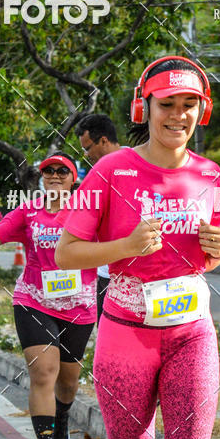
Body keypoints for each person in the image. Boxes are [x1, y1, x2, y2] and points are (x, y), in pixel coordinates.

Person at [56, 57, 220, 439]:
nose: (177, 116)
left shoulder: (211, 174)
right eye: (165, 105)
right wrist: (123, 244)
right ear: (144, 109)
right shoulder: (110, 171)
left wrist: (215, 250)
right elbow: (65, 254)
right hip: (127, 333)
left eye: (188, 105)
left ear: (200, 110)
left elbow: (205, 257)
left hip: (191, 332)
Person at [0, 153, 96, 439]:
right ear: (41, 178)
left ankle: (62, 414)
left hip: (78, 306)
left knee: (67, 382)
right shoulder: (29, 210)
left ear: (73, 178)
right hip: (33, 300)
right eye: (48, 171)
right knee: (43, 373)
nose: (54, 175)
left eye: (61, 171)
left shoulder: (89, 212)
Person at [76, 114, 121, 322]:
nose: (86, 154)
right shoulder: (96, 175)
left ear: (103, 140)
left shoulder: (142, 163)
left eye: (87, 148)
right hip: (106, 274)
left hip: (140, 277)